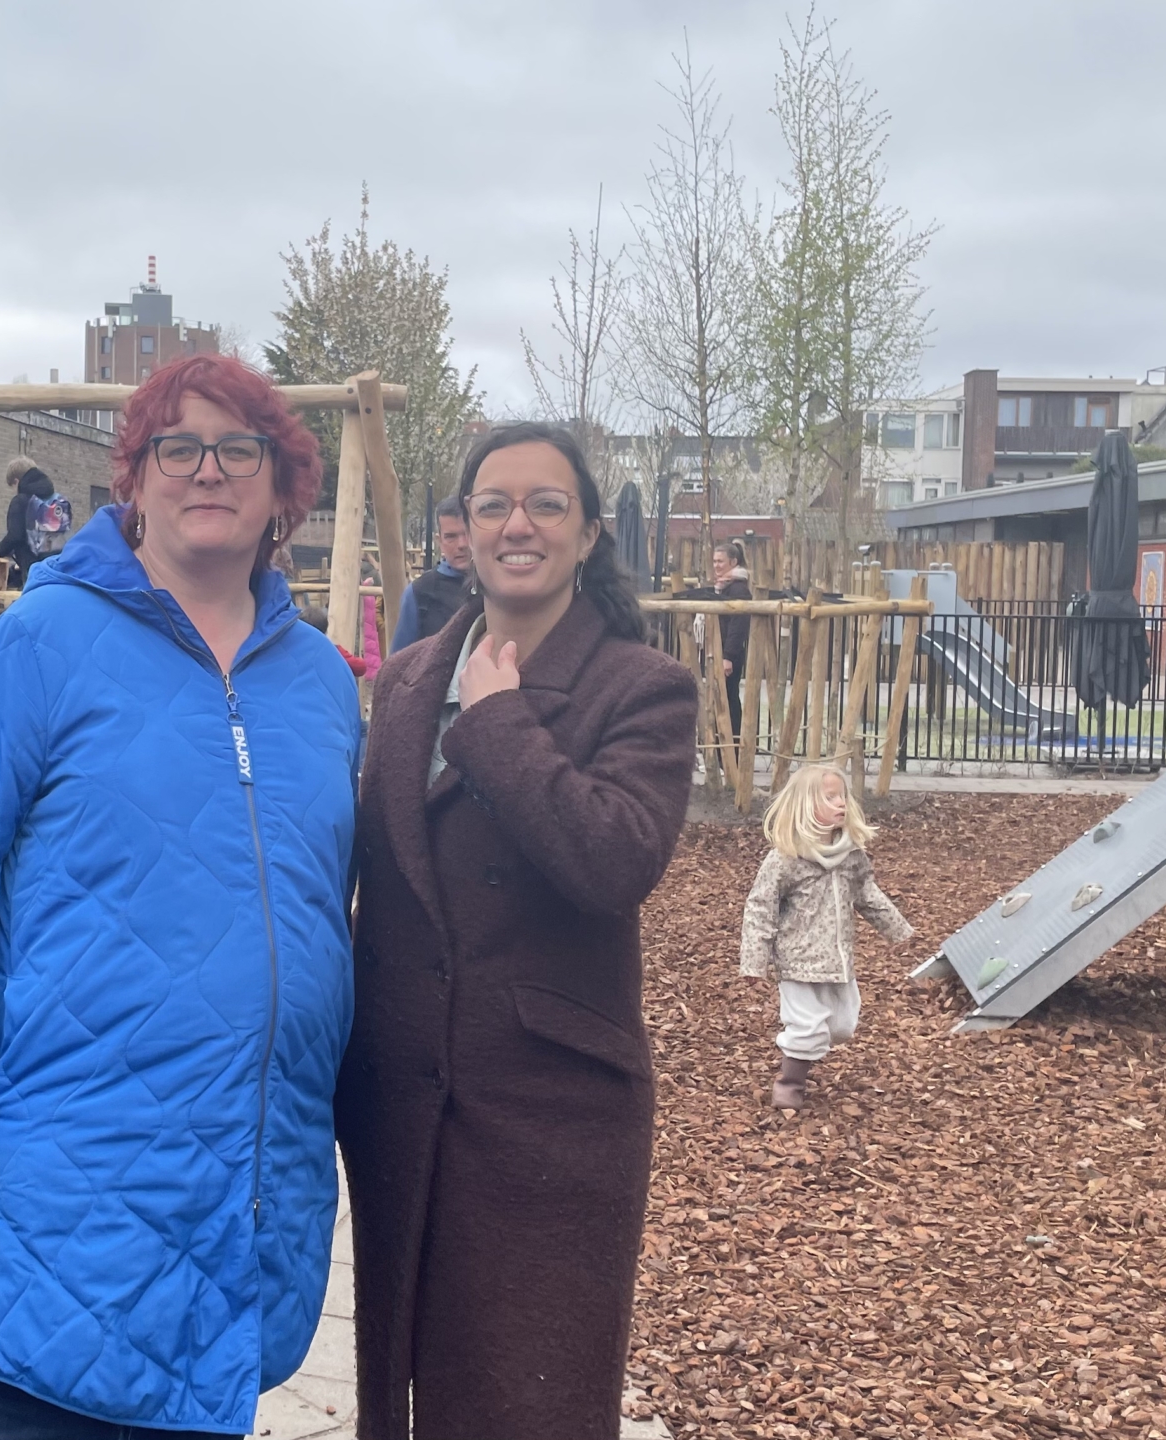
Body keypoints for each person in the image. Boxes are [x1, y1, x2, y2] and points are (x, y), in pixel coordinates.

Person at [0, 354, 362, 1437]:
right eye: (176, 447)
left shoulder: (323, 684)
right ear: (133, 479)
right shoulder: (41, 644)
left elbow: (329, 910)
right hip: (75, 1144)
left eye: (238, 448)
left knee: (205, 1397)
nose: (208, 470)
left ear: (285, 488)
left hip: (255, 1160)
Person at [341, 421, 698, 1439]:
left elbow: (616, 862)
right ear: (462, 528)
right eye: (492, 504)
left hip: (551, 1113)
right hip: (400, 1096)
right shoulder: (407, 678)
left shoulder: (642, 686)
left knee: (526, 1399)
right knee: (402, 1385)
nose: (517, 525)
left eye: (547, 504)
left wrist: (498, 726)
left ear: (587, 534)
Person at [737, 764, 912, 1112]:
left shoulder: (851, 855)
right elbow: (761, 906)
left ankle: (807, 1050)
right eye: (829, 798)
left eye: (842, 796)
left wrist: (898, 929)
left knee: (843, 1026)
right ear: (804, 806)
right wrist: (755, 961)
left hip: (838, 960)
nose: (841, 803)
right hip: (798, 961)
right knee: (806, 1026)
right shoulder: (786, 858)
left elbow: (866, 893)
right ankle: (790, 1084)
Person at [388, 495, 470, 652]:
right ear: (440, 541)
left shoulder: (495, 586)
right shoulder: (419, 593)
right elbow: (399, 660)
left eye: (467, 534)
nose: (461, 544)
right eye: (451, 537)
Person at [0, 456, 62, 586]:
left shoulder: (20, 501)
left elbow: (15, 535)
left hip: (32, 570)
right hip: (56, 566)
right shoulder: (54, 501)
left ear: (16, 481)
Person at [714, 540, 752, 737]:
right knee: (721, 698)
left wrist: (728, 656)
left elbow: (738, 626)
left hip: (729, 654)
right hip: (720, 651)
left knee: (728, 699)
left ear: (733, 562)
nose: (716, 565)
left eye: (720, 561)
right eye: (714, 561)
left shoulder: (738, 590)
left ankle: (732, 746)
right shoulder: (723, 587)